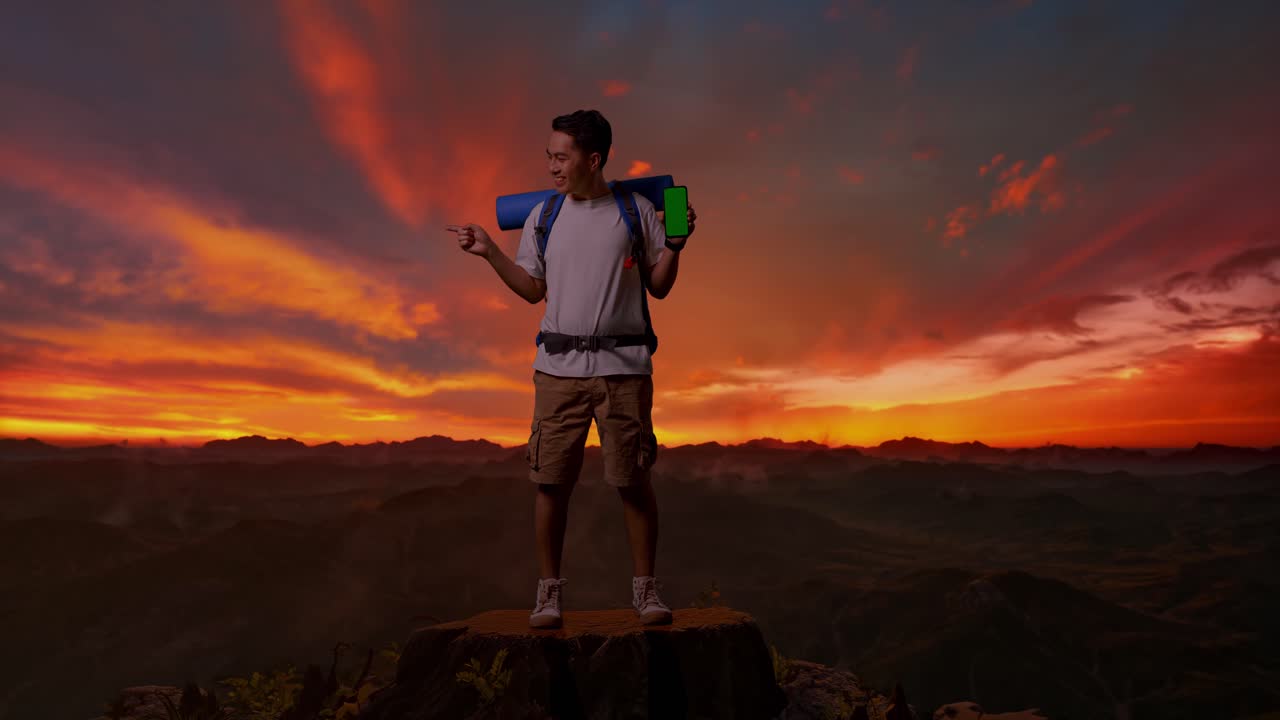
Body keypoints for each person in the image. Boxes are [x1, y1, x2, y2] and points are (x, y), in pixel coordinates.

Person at [446, 109, 695, 629]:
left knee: (632, 480)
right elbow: (533, 290)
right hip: (556, 371)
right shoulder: (544, 216)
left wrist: (674, 246)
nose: (552, 167)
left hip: (625, 369)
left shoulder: (637, 211)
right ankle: (548, 594)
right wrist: (490, 253)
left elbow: (661, 285)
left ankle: (646, 592)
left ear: (593, 159)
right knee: (551, 481)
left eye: (561, 157)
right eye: (549, 156)